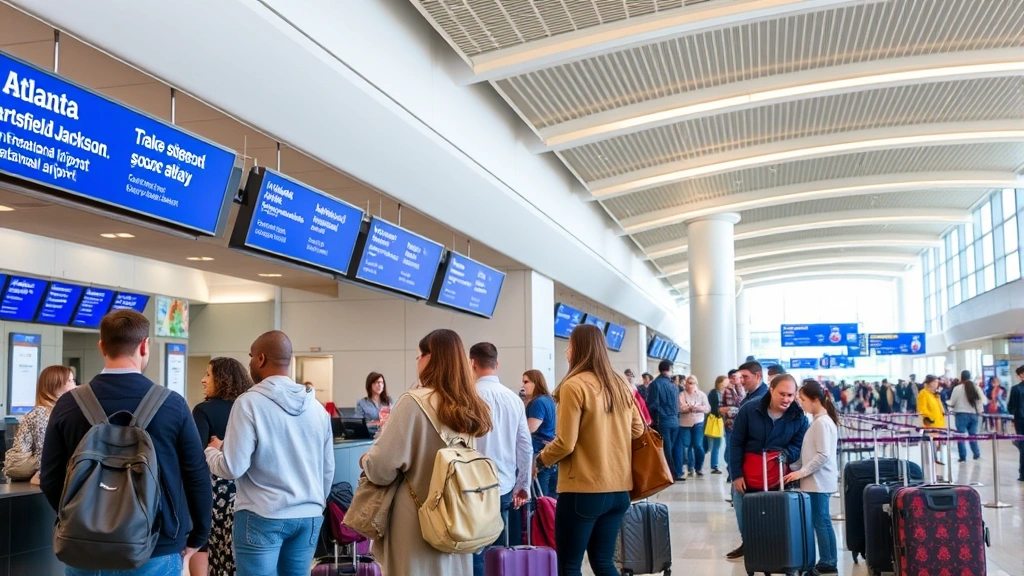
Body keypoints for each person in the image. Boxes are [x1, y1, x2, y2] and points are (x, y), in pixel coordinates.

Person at [40, 310, 212, 575]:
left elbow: (50, 478)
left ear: (101, 346)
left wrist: (79, 519)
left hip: (85, 548)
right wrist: (198, 536)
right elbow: (196, 475)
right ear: (144, 345)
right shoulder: (172, 405)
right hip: (158, 546)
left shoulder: (68, 404)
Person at [359, 329, 492, 575]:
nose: (417, 362)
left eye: (419, 356)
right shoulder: (469, 405)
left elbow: (381, 468)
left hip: (416, 518)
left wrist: (366, 460)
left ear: (431, 358)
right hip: (459, 514)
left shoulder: (414, 401)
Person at [205, 331, 334, 576]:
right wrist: (313, 503)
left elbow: (233, 467)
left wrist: (211, 453)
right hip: (309, 515)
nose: (250, 363)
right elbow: (327, 469)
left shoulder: (249, 403)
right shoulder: (317, 409)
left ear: (261, 359)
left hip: (261, 515)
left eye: (251, 357)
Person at [536, 324, 644, 576]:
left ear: (578, 349)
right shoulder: (620, 382)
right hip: (619, 489)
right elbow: (638, 430)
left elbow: (565, 442)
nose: (566, 351)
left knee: (570, 565)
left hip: (583, 490)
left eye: (570, 345)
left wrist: (539, 461)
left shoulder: (574, 385)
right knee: (604, 563)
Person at [725, 373, 809, 561]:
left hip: (777, 473)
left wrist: (785, 455)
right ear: (771, 389)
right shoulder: (749, 409)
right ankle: (749, 542)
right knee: (743, 510)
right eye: (782, 394)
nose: (786, 399)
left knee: (774, 512)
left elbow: (797, 445)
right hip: (747, 471)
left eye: (790, 395)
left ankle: (773, 546)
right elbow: (736, 443)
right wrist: (736, 475)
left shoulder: (799, 417)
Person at [467, 342, 532, 575]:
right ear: (497, 364)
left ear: (472, 363)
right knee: (501, 554)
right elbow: (525, 446)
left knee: (475, 553)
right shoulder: (514, 399)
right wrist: (522, 485)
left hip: (470, 489)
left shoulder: (467, 397)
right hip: (504, 487)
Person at [190, 358, 255, 576]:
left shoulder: (203, 410)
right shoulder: (251, 408)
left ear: (222, 378)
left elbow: (196, 455)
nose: (203, 380)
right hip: (249, 490)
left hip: (216, 492)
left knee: (214, 552)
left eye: (208, 374)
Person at [783, 381, 839, 575]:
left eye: (803, 399)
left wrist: (801, 472)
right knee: (821, 520)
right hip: (817, 481)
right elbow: (810, 453)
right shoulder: (818, 421)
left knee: (821, 521)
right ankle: (828, 559)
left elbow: (822, 455)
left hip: (819, 482)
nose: (800, 403)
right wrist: (794, 467)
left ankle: (828, 560)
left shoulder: (822, 423)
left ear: (815, 400)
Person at [4, 365, 75, 483]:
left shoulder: (61, 411)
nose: (75, 385)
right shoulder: (41, 414)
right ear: (54, 385)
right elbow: (45, 452)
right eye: (70, 381)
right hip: (39, 481)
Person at [645, 360, 683, 481]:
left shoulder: (655, 384)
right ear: (669, 369)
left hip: (663, 421)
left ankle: (668, 475)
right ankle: (676, 472)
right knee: (675, 447)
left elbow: (653, 404)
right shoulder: (674, 385)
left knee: (665, 448)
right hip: (675, 421)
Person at [523, 370, 558, 497]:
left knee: (540, 500)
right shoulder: (548, 399)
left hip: (539, 455)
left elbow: (530, 428)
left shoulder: (538, 402)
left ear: (536, 382)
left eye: (526, 382)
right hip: (551, 453)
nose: (523, 386)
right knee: (552, 500)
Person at [947, 375, 987, 462]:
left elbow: (952, 402)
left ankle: (963, 457)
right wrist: (979, 412)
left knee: (960, 436)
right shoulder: (976, 388)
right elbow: (982, 401)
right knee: (973, 435)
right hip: (974, 415)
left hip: (961, 415)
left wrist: (949, 406)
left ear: (961, 379)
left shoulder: (957, 389)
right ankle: (976, 454)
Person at [678, 375, 710, 477]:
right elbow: (681, 408)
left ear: (696, 384)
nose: (690, 385)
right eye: (688, 383)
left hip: (698, 422)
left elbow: (707, 408)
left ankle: (699, 467)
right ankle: (690, 467)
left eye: (692, 383)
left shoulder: (701, 395)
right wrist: (689, 408)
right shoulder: (681, 395)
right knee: (686, 446)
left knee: (698, 445)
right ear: (685, 383)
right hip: (685, 423)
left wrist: (695, 408)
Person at [720, 369, 745, 482]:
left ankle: (735, 470)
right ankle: (731, 472)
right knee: (730, 449)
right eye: (734, 377)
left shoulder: (744, 389)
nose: (737, 379)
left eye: (739, 377)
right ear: (730, 378)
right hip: (730, 424)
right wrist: (727, 410)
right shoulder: (725, 391)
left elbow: (742, 404)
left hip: (742, 423)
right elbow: (720, 408)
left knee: (739, 449)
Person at [918, 375, 947, 467]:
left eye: (937, 382)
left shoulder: (934, 394)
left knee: (937, 445)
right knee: (931, 446)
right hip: (931, 425)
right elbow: (922, 409)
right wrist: (928, 421)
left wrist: (938, 396)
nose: (936, 384)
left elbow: (940, 408)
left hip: (939, 424)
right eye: (934, 382)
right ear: (929, 383)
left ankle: (936, 461)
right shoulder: (923, 393)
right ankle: (932, 464)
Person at [705, 375, 726, 474]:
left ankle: (717, 464)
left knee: (720, 443)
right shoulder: (713, 393)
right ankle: (714, 465)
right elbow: (711, 407)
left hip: (725, 420)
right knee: (716, 444)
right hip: (717, 419)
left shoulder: (727, 392)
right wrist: (719, 411)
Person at [1008, 365, 1024, 481]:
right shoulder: (1015, 389)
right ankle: (1022, 473)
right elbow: (1011, 406)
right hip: (1021, 421)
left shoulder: (1016, 389)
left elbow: (1010, 407)